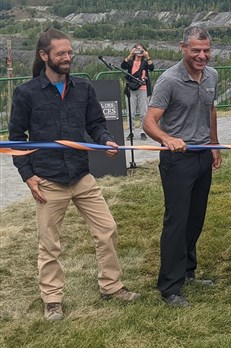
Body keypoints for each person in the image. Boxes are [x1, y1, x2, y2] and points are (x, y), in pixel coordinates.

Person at [8, 28, 140, 321]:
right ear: (44, 56)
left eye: (70, 53)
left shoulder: (83, 88)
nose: (68, 58)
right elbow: (17, 138)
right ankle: (52, 299)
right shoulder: (26, 93)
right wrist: (27, 175)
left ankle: (111, 286)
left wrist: (105, 138)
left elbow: (95, 123)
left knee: (107, 230)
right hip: (48, 180)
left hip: (81, 176)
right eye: (61, 54)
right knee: (49, 242)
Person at [143, 25, 221, 307]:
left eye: (206, 50)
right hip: (177, 159)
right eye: (196, 50)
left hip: (202, 155)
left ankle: (188, 271)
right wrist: (167, 139)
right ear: (183, 48)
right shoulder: (169, 81)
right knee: (177, 221)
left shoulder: (212, 75)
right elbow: (149, 122)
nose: (202, 56)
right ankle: (169, 286)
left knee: (196, 217)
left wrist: (214, 145)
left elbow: (210, 110)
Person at [121, 43, 154, 141]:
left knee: (143, 112)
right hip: (131, 88)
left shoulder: (145, 62)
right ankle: (131, 132)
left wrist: (147, 57)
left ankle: (143, 131)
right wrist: (130, 55)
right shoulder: (130, 62)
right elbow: (123, 65)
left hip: (142, 88)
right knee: (131, 111)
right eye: (137, 50)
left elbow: (152, 68)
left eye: (141, 50)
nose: (139, 52)